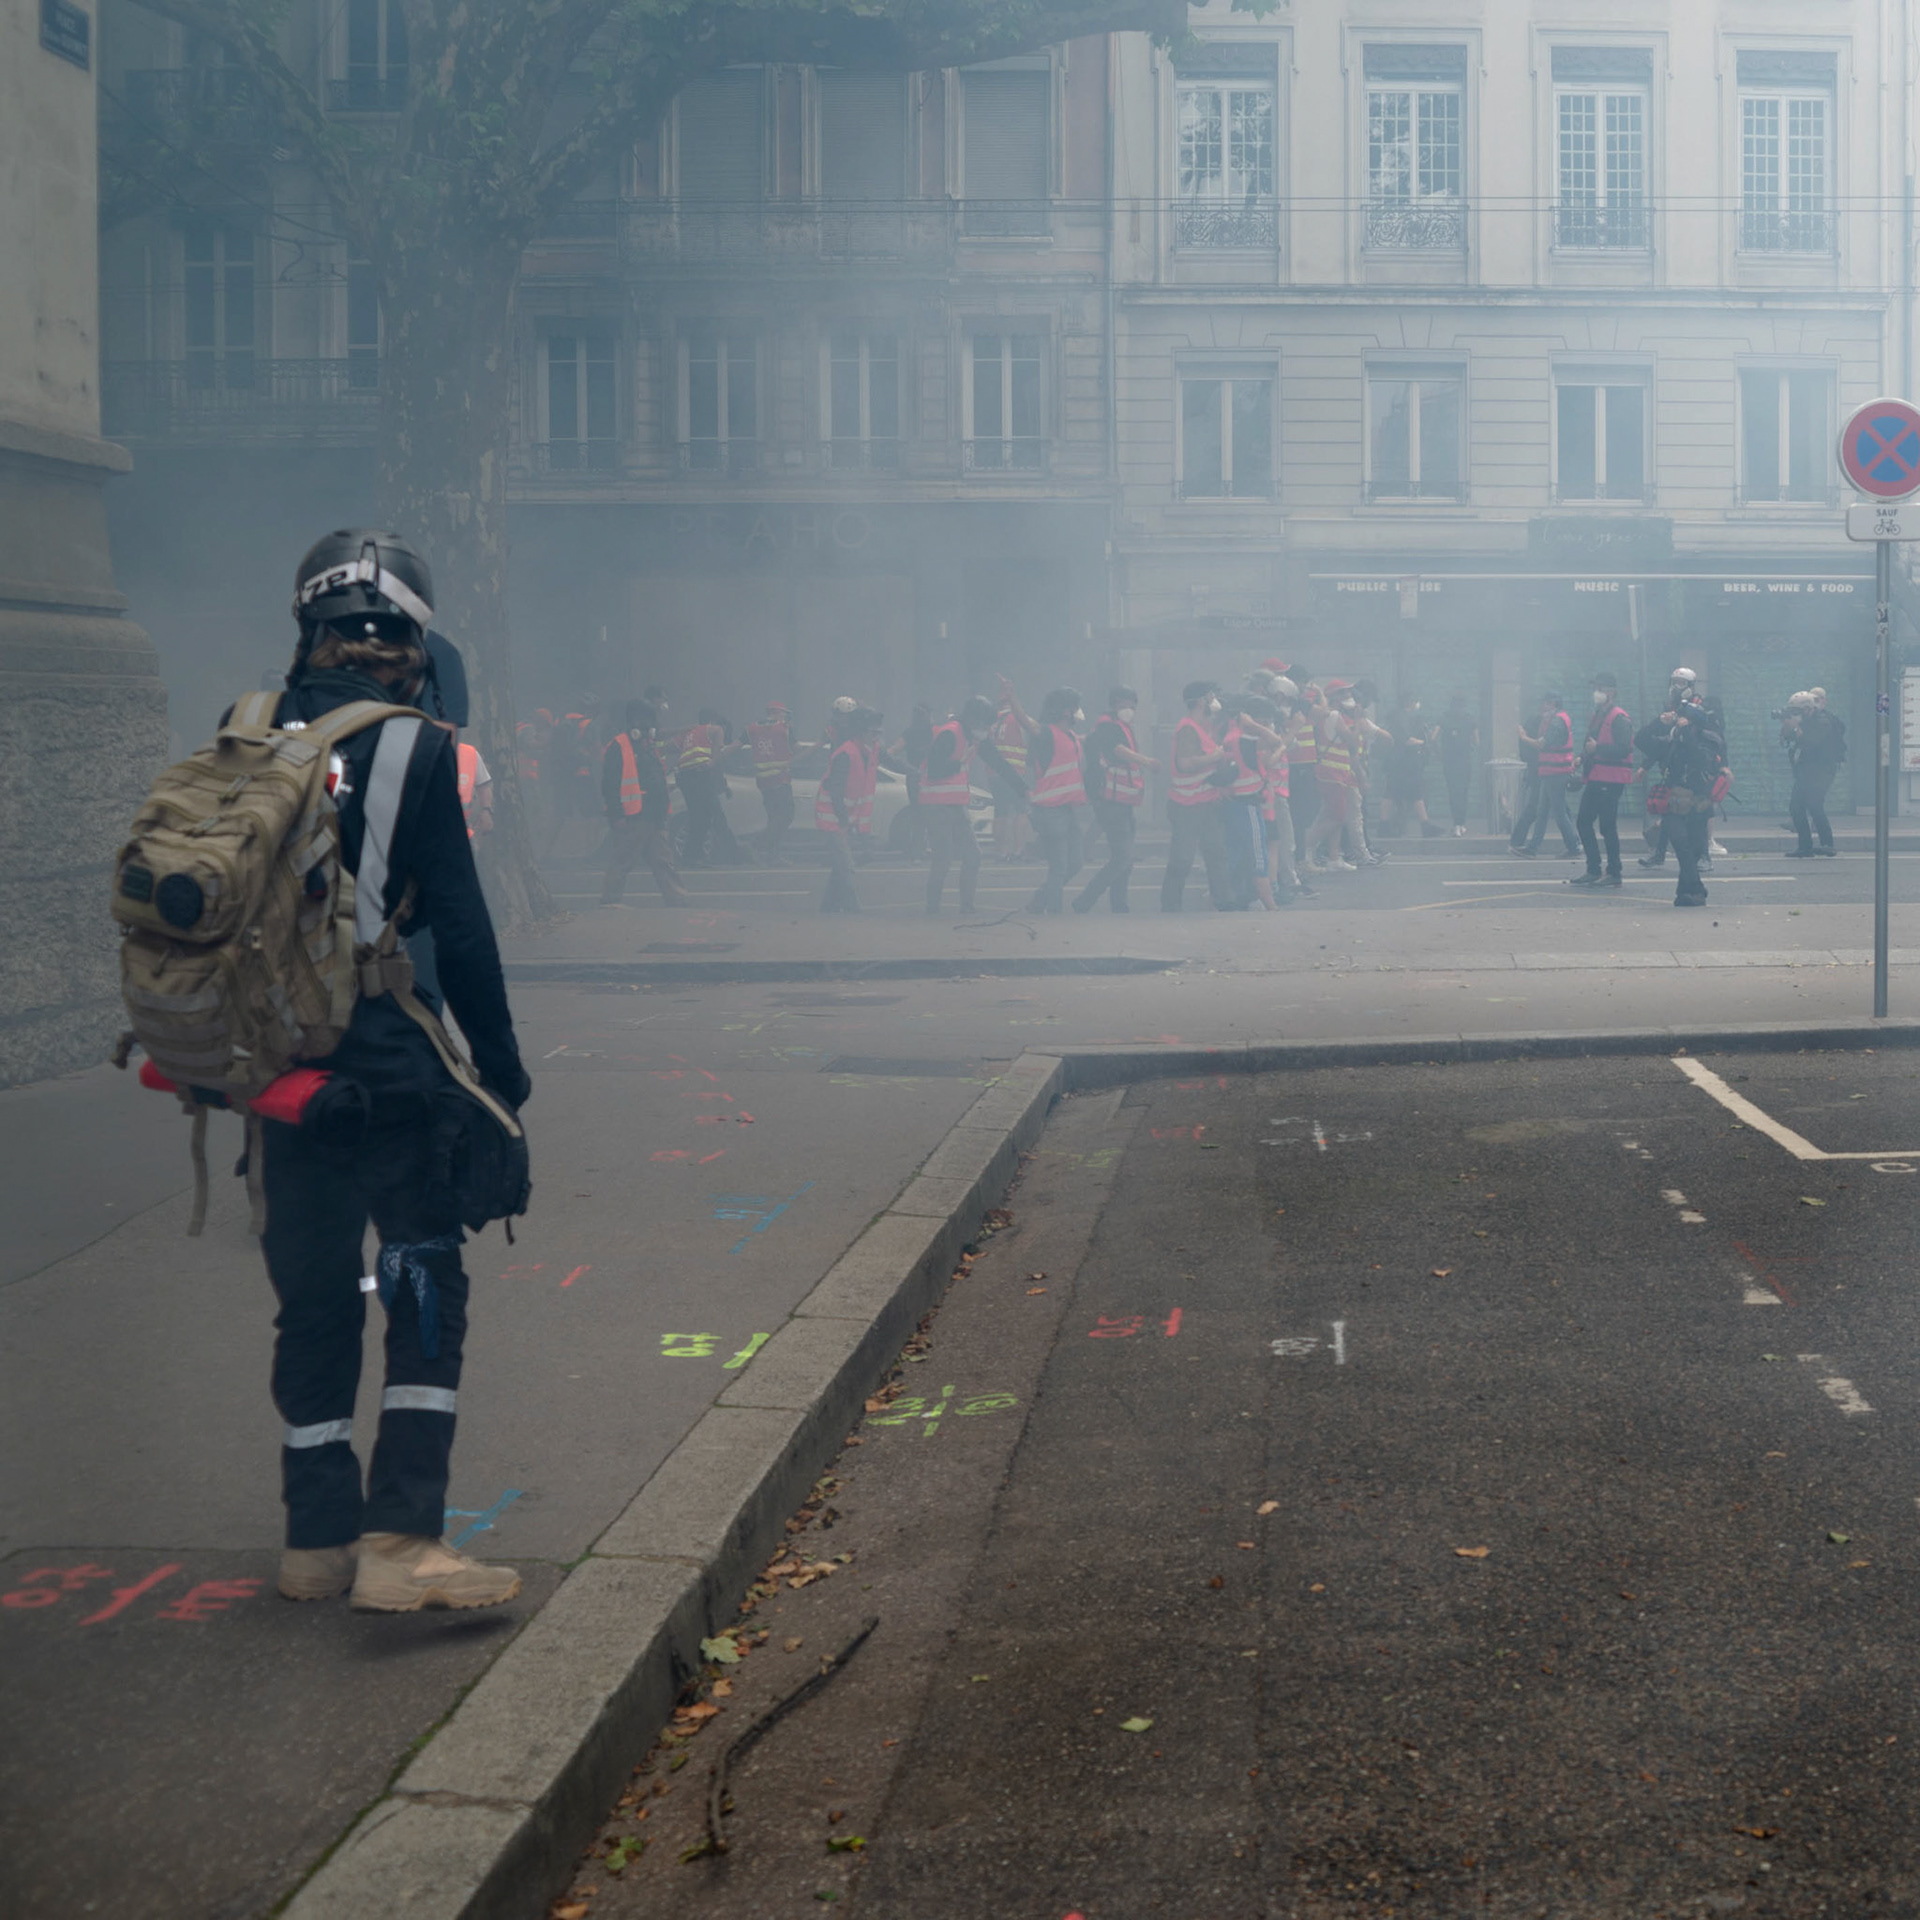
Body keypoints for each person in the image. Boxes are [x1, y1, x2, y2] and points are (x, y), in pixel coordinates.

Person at [264, 529, 530, 1611]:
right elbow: (461, 934)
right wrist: (502, 1075)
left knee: (315, 1290)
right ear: (411, 643)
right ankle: (403, 1539)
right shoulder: (416, 748)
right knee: (422, 1277)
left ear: (310, 630)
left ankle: (314, 1540)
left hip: (277, 1074)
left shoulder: (244, 732)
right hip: (384, 1060)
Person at [1636, 674, 1726, 907]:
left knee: (1694, 849)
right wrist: (1660, 722)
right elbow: (1642, 740)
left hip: (1698, 802)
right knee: (1679, 841)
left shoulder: (1709, 739)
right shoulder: (1672, 741)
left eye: (1683, 721)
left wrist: (1687, 734)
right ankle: (1697, 888)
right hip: (1675, 801)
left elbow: (1700, 760)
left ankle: (1687, 893)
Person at [923, 695, 1019, 914]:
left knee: (973, 855)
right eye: (984, 724)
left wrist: (1023, 790)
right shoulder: (950, 733)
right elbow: (934, 770)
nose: (986, 729)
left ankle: (967, 905)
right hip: (936, 804)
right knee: (943, 857)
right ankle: (932, 907)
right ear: (972, 720)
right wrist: (958, 764)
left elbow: (999, 763)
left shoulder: (975, 738)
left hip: (956, 804)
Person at [1002, 683, 1087, 913]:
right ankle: (1053, 912)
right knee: (1059, 867)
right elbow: (1026, 722)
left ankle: (1040, 900)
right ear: (1066, 711)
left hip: (1067, 810)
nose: (1079, 711)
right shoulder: (1048, 732)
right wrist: (1012, 698)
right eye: (1075, 707)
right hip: (1051, 811)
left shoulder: (1071, 736)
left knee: (1075, 862)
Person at [1075, 686, 1158, 913]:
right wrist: (1147, 761)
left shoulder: (1121, 726)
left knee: (1125, 858)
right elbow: (1118, 750)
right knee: (1122, 857)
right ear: (1113, 706)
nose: (1128, 710)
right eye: (1123, 705)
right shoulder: (1108, 726)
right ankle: (1085, 901)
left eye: (1132, 706)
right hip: (1110, 800)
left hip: (1122, 801)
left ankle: (1119, 903)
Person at [600, 702, 688, 906]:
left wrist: (663, 810)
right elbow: (610, 785)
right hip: (633, 817)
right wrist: (617, 815)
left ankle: (677, 899)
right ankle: (610, 901)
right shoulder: (619, 746)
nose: (651, 730)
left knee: (663, 861)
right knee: (622, 860)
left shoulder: (648, 748)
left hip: (654, 816)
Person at [1162, 680, 1233, 910]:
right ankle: (1170, 905)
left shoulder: (1203, 727)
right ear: (1201, 701)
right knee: (1182, 858)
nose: (1215, 701)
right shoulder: (1188, 728)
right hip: (1186, 805)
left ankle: (1224, 901)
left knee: (1216, 854)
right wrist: (1215, 757)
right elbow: (1185, 763)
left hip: (1206, 801)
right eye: (1211, 696)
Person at [1568, 672, 1634, 889]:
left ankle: (1614, 872)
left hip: (1612, 778)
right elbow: (1590, 743)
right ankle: (1593, 869)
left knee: (1607, 826)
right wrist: (1581, 757)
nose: (1597, 692)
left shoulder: (1620, 718)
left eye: (1601, 688)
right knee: (1584, 821)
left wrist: (1598, 749)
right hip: (1596, 776)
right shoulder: (1597, 715)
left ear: (1612, 692)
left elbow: (1624, 749)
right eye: (1595, 687)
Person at [815, 706, 880, 912]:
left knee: (839, 867)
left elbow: (892, 760)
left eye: (879, 733)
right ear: (861, 733)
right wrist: (843, 819)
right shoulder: (846, 753)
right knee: (845, 865)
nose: (877, 737)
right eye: (873, 733)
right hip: (832, 817)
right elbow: (835, 791)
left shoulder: (868, 751)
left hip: (842, 818)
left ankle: (827, 908)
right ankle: (853, 909)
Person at [675, 708, 741, 867]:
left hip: (685, 777)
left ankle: (692, 856)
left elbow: (669, 746)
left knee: (699, 818)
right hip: (700, 775)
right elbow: (716, 757)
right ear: (714, 721)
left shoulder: (690, 733)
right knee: (712, 817)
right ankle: (732, 856)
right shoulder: (716, 729)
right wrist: (721, 781)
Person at [1516, 692, 1579, 857]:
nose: (1543, 706)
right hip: (1550, 772)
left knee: (1558, 812)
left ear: (1554, 704)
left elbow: (1541, 744)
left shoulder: (1557, 722)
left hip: (1556, 773)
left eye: (1547, 703)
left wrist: (1523, 737)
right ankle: (1533, 848)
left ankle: (1573, 846)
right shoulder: (1553, 720)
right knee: (1542, 811)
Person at [1784, 689, 1845, 857]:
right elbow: (1785, 739)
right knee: (1796, 806)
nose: (1796, 714)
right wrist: (1787, 725)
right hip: (1805, 769)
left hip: (1822, 769)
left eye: (1797, 711)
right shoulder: (1803, 721)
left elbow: (1810, 742)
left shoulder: (1822, 721)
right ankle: (1805, 847)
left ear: (1807, 709)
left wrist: (1796, 728)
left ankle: (1827, 843)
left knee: (1814, 804)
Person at [744, 700, 797, 863]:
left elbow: (737, 744)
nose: (784, 716)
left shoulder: (752, 728)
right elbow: (795, 748)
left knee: (774, 819)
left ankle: (773, 855)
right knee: (786, 816)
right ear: (774, 712)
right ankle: (757, 844)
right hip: (781, 780)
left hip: (764, 783)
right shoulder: (785, 729)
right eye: (782, 713)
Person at [1382, 695, 1441, 838]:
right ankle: (1422, 825)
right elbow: (1405, 739)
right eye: (1416, 701)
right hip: (1402, 763)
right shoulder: (1400, 718)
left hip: (1400, 762)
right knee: (1405, 792)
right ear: (1410, 702)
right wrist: (1423, 744)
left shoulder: (1401, 716)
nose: (1417, 705)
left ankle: (1386, 825)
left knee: (1400, 792)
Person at [989, 692, 1032, 862]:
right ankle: (1018, 850)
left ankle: (1001, 851)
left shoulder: (993, 722)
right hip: (1014, 773)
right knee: (1022, 810)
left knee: (1000, 812)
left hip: (993, 773)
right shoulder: (1018, 720)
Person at [1438, 692, 1477, 836]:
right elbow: (1476, 740)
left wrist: (1439, 754)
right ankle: (1461, 823)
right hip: (1465, 761)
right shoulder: (1470, 719)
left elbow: (1433, 736)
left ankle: (1456, 824)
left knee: (1453, 792)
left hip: (1449, 761)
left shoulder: (1444, 718)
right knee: (1463, 791)